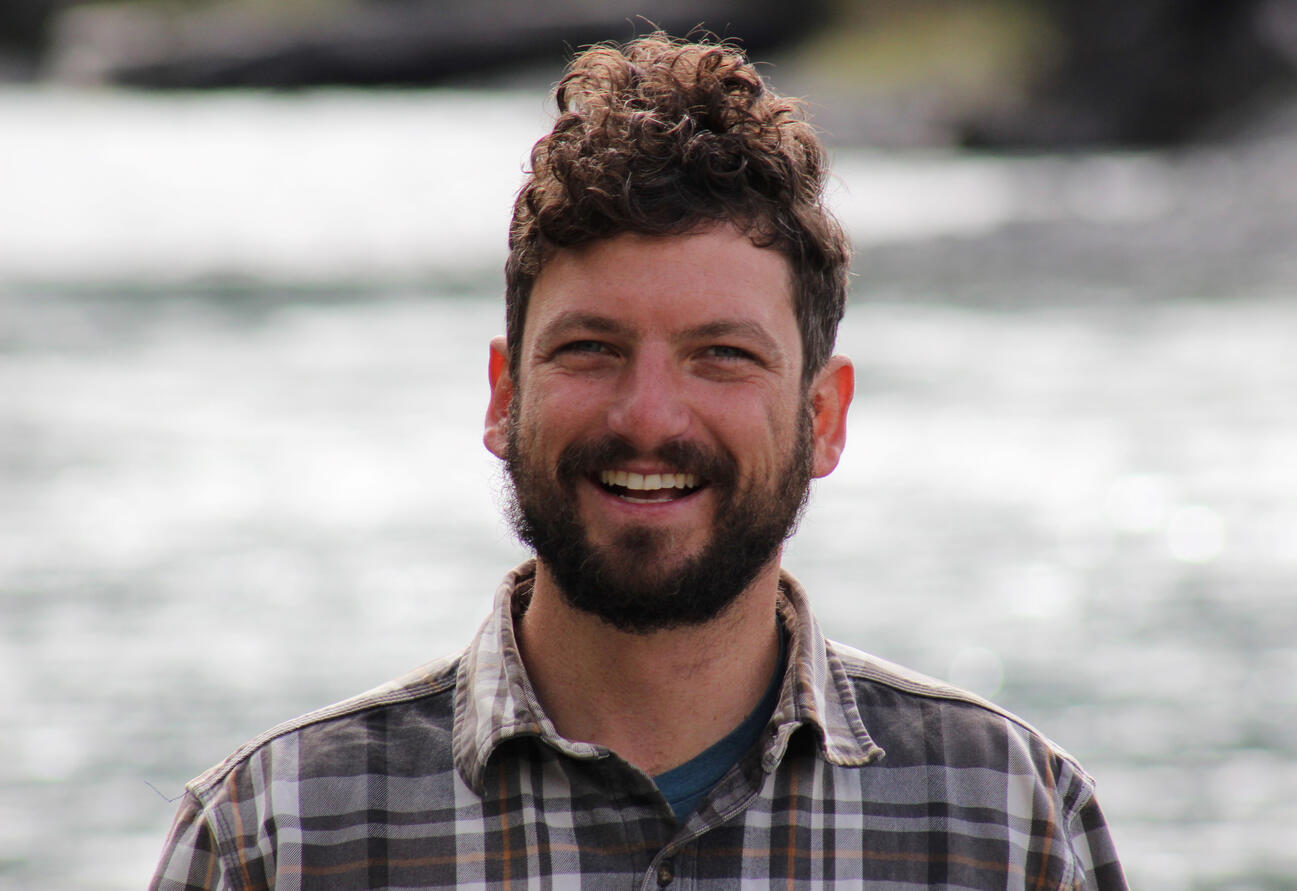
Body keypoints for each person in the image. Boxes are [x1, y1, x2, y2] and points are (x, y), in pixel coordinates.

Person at [151, 33, 1127, 889]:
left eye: (722, 356)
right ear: (503, 395)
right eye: (591, 350)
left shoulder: (1007, 826)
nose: (649, 417)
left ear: (824, 415)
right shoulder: (273, 841)